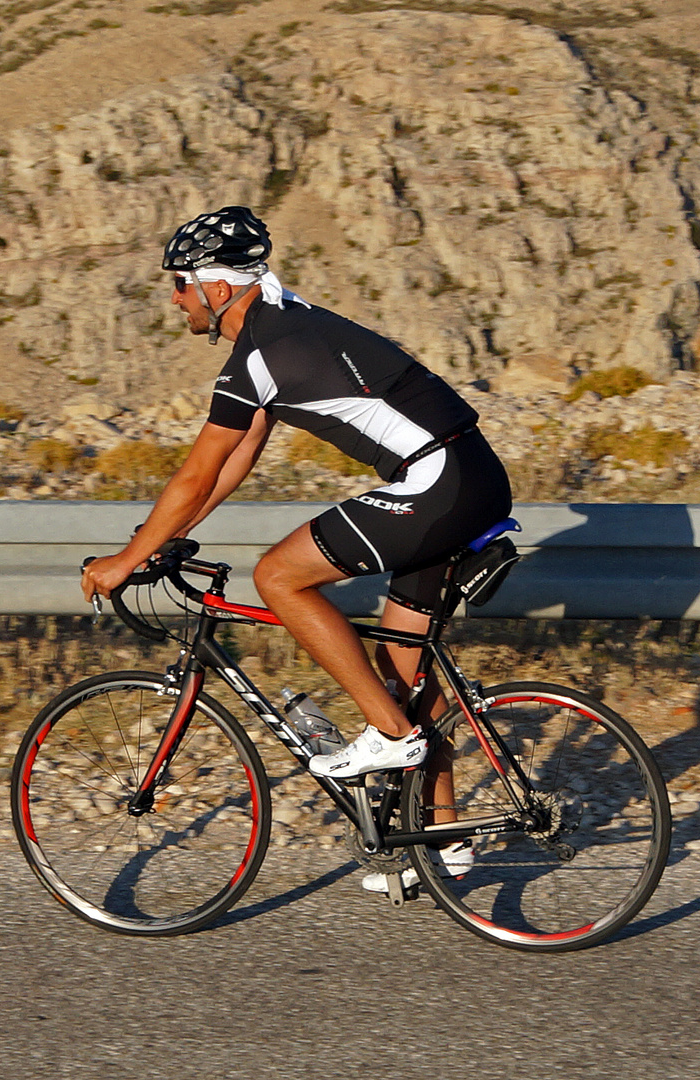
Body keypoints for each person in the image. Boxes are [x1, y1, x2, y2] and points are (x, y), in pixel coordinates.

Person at [80, 206, 513, 892]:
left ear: (216, 289)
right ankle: (443, 838)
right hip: (469, 476)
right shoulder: (281, 327)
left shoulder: (260, 353)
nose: (173, 299)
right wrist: (160, 536)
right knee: (399, 677)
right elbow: (235, 458)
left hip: (437, 480)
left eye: (180, 285)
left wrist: (125, 563)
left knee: (279, 576)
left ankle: (389, 740)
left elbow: (197, 471)